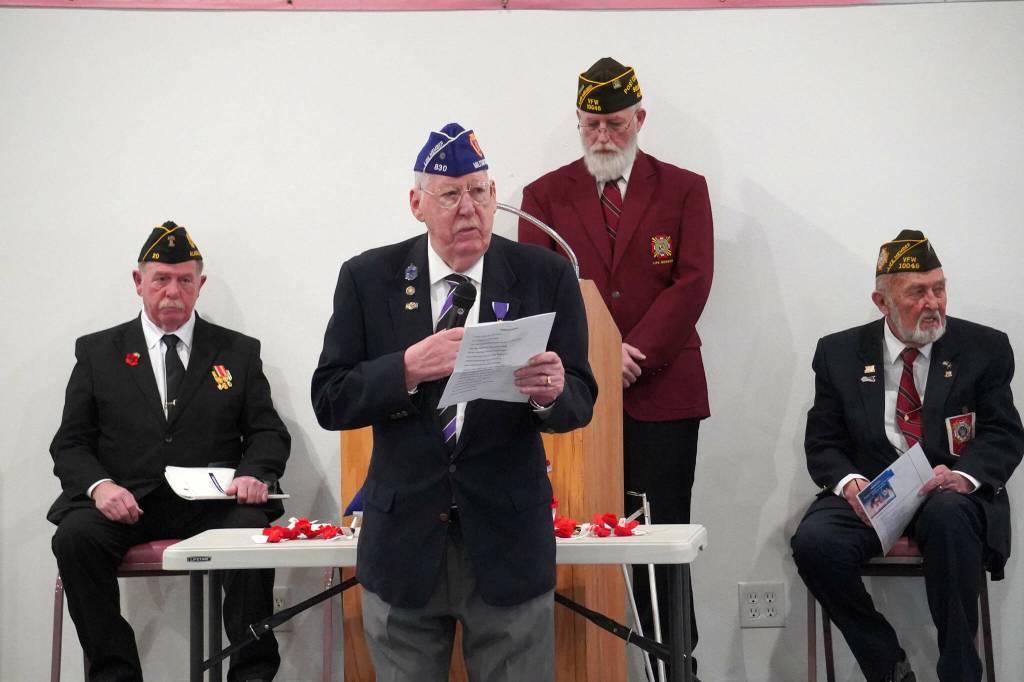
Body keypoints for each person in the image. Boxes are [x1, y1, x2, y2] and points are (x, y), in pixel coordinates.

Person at [312, 123, 597, 681]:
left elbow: (581, 399)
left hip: (509, 541)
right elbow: (330, 398)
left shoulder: (546, 275)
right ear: (416, 204)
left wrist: (552, 394)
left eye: (481, 191)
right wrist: (407, 368)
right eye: (451, 195)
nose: (469, 209)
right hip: (403, 545)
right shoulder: (369, 278)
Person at [518, 56, 713, 662]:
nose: (603, 138)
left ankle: (675, 663)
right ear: (578, 122)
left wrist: (634, 353)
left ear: (640, 118)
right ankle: (587, 666)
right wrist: (596, 356)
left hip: (663, 394)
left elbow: (693, 281)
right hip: (575, 397)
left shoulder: (684, 188)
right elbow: (536, 294)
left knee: (662, 543)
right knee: (576, 544)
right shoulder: (543, 196)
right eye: (591, 125)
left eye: (616, 125)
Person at [49, 222, 291, 682]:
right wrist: (100, 488)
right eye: (161, 278)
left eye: (184, 280)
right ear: (139, 282)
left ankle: (251, 674)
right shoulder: (99, 352)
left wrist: (254, 472)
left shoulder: (238, 352)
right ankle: (116, 674)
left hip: (211, 506)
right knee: (74, 539)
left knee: (251, 533)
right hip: (126, 503)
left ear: (201, 286)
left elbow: (267, 432)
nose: (172, 291)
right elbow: (70, 442)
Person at [791, 230, 1023, 682]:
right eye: (917, 293)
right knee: (814, 544)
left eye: (939, 288)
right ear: (882, 302)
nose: (934, 303)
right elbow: (823, 443)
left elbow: (1003, 433)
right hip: (876, 494)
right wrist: (847, 483)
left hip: (950, 492)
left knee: (949, 517)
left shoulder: (984, 348)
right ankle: (887, 665)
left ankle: (959, 670)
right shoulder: (838, 352)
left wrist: (967, 477)